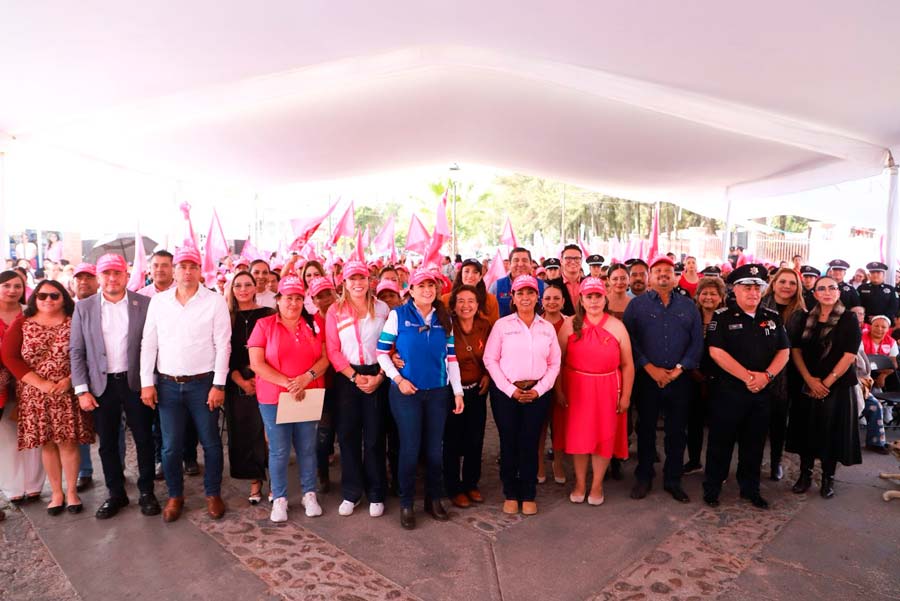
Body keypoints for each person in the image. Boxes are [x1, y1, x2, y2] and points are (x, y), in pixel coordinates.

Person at [140, 247, 231, 523]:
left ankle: (212, 493)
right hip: (167, 386)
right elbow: (149, 344)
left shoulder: (214, 301)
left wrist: (219, 384)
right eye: (182, 267)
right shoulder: (159, 302)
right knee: (170, 447)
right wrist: (147, 383)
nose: (187, 272)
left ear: (200, 270)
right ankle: (175, 495)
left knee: (211, 443)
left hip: (203, 384)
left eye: (193, 266)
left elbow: (222, 345)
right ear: (174, 270)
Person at [69, 254, 160, 519]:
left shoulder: (143, 304)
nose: (112, 278)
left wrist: (149, 382)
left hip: (135, 383)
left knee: (144, 439)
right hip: (101, 385)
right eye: (106, 273)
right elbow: (76, 351)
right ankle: (115, 494)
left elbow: (153, 346)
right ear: (99, 277)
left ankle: (146, 492)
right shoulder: (84, 308)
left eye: (117, 273)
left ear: (126, 276)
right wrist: (82, 390)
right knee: (107, 443)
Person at [377, 269, 464, 529]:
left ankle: (433, 498)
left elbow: (451, 358)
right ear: (411, 290)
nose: (427, 290)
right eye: (421, 285)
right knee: (410, 448)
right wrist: (398, 379)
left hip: (438, 392)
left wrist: (457, 391)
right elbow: (382, 352)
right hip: (407, 393)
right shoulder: (398, 315)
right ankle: (407, 503)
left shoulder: (444, 317)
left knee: (434, 449)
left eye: (432, 285)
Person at [1, 279, 93, 515]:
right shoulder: (23, 322)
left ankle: (71, 492)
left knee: (68, 443)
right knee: (48, 444)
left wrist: (70, 380)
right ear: (34, 299)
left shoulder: (75, 322)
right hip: (34, 393)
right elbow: (9, 356)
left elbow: (88, 354)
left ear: (64, 298)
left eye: (54, 295)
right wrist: (39, 383)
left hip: (68, 391)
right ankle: (56, 493)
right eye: (42, 296)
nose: (48, 300)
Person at [702, 265, 790, 509]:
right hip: (729, 392)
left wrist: (767, 376)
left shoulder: (771, 317)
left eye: (757, 287)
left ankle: (750, 488)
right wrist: (748, 378)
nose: (753, 292)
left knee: (754, 444)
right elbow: (716, 352)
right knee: (721, 443)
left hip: (762, 393)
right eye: (747, 287)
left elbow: (784, 351)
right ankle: (712, 488)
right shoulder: (722, 317)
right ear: (735, 290)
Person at [249, 276, 330, 522]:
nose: (293, 303)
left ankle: (309, 493)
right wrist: (288, 383)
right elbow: (257, 364)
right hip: (274, 398)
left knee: (307, 447)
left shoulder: (314, 324)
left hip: (309, 393)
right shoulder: (264, 325)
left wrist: (306, 377)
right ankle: (281, 498)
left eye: (298, 298)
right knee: (279, 450)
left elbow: (326, 358)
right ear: (278, 299)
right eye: (288, 298)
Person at [623, 256, 703, 503]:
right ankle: (644, 476)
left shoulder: (688, 305)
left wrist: (679, 369)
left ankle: (673, 479)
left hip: (679, 379)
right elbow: (629, 342)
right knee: (645, 428)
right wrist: (649, 367)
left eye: (668, 271)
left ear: (676, 276)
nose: (663, 275)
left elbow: (696, 341)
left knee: (676, 431)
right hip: (648, 378)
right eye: (657, 271)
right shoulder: (636, 306)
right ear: (650, 276)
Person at [483, 275, 561, 516]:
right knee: (509, 442)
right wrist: (510, 389)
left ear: (537, 297)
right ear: (513, 298)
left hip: (538, 393)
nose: (525, 297)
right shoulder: (502, 325)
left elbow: (555, 363)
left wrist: (539, 389)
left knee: (530, 442)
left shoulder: (546, 328)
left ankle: (528, 493)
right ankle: (510, 492)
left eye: (530, 293)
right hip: (506, 393)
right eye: (520, 293)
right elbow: (490, 359)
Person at [556, 277, 633, 505]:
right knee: (580, 438)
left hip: (608, 389)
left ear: (604, 297)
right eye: (589, 296)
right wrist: (559, 390)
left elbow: (628, 364)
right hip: (577, 389)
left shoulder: (617, 326)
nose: (594, 301)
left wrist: (626, 395)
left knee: (603, 437)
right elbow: (557, 360)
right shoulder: (569, 324)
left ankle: (597, 484)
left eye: (597, 296)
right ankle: (580, 482)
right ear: (581, 299)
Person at [786, 275, 862, 498]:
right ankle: (805, 475)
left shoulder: (848, 318)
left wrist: (825, 383)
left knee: (831, 433)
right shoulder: (805, 317)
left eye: (832, 288)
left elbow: (849, 354)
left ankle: (828, 477)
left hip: (836, 386)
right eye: (822, 289)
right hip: (808, 383)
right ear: (815, 294)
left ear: (838, 292)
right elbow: (796, 350)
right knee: (806, 432)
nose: (827, 292)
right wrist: (809, 380)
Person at [324, 261, 389, 518]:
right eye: (352, 279)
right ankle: (352, 492)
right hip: (347, 376)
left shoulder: (383, 308)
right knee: (348, 436)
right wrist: (354, 376)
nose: (357, 284)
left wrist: (380, 377)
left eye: (362, 278)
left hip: (377, 373)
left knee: (374, 437)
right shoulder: (335, 310)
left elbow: (390, 345)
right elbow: (332, 350)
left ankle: (376, 492)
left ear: (370, 280)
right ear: (344, 283)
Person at [223, 271, 273, 505]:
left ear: (255, 287)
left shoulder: (268, 315)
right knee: (245, 434)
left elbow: (274, 350)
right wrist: (241, 381)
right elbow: (223, 354)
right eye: (238, 285)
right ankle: (255, 480)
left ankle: (275, 479)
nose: (243, 289)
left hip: (268, 380)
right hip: (237, 382)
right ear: (232, 290)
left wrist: (262, 377)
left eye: (247, 285)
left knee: (268, 434)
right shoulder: (225, 318)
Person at [442, 284, 492, 508]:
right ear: (453, 305)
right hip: (451, 392)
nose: (466, 305)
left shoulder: (485, 325)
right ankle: (453, 487)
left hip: (477, 391)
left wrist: (488, 375)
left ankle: (471, 483)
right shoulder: (445, 326)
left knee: (475, 439)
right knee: (452, 440)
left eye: (471, 300)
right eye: (461, 301)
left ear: (478, 304)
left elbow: (493, 354)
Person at [0, 270, 45, 507]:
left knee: (33, 433)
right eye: (6, 285)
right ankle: (13, 486)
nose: (12, 290)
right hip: (1, 386)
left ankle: (34, 484)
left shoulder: (30, 312)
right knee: (6, 436)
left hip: (29, 380)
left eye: (17, 286)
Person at [759, 267, 807, 481]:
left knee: (779, 422)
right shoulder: (759, 305)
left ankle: (776, 461)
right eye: (783, 282)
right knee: (755, 421)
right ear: (774, 283)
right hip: (758, 370)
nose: (787, 286)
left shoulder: (802, 314)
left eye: (792, 283)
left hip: (788, 377)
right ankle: (752, 460)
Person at [684, 276, 727, 474]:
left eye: (713, 294)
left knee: (719, 426)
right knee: (693, 423)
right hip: (692, 377)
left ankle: (716, 467)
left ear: (721, 297)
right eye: (704, 293)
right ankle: (694, 461)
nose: (708, 297)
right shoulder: (690, 317)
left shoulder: (727, 319)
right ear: (697, 295)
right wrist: (693, 371)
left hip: (720, 380)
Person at [70, 262, 101, 490]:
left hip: (104, 377)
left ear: (97, 280)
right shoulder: (64, 307)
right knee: (78, 428)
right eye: (79, 278)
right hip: (75, 378)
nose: (84, 282)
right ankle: (85, 471)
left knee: (113, 428)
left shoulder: (107, 304)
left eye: (88, 277)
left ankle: (117, 467)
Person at [308, 275, 339, 493]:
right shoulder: (309, 323)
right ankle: (322, 475)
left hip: (345, 382)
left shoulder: (345, 315)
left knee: (346, 432)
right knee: (323, 434)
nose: (326, 299)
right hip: (320, 385)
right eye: (320, 296)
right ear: (313, 299)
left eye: (329, 293)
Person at [537, 280, 568, 485]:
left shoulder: (570, 323)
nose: (552, 302)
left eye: (556, 298)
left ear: (563, 301)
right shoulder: (535, 323)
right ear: (541, 301)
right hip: (540, 381)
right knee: (539, 425)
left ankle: (558, 462)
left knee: (560, 425)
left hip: (564, 381)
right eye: (548, 298)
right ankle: (539, 463)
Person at [489, 247, 544, 317]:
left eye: (524, 260)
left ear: (531, 264)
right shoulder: (496, 287)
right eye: (516, 260)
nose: (520, 264)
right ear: (509, 264)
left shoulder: (543, 287)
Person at [442, 258, 500, 324]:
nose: (470, 276)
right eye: (466, 271)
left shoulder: (491, 300)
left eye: (475, 272)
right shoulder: (445, 300)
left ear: (480, 277)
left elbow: (494, 328)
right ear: (461, 274)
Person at [560, 245, 584, 310]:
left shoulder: (588, 283)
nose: (573, 262)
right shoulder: (551, 285)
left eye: (576, 258)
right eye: (568, 258)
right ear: (561, 261)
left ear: (581, 261)